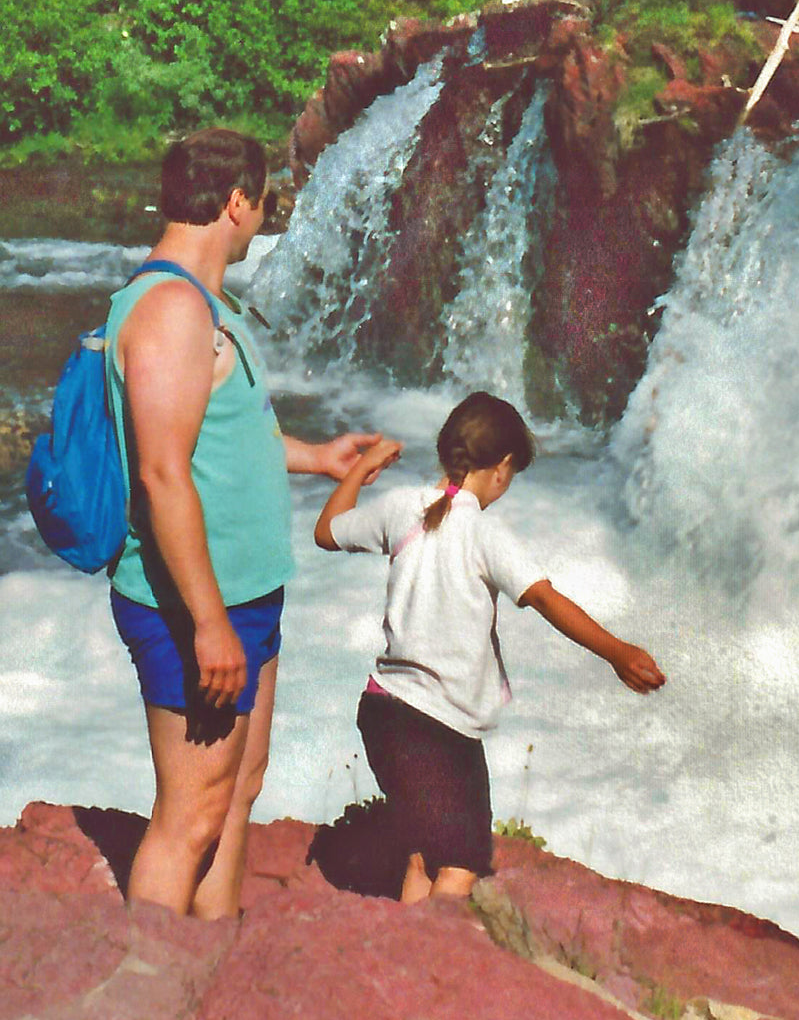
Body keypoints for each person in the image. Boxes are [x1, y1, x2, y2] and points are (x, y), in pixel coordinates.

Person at [106, 126, 380, 920]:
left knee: (237, 793)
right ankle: (144, 1003)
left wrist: (319, 457)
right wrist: (210, 623)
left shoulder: (206, 307)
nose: (262, 219)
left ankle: (209, 963)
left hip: (244, 594)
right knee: (189, 816)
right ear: (235, 202)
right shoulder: (167, 312)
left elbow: (223, 439)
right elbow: (161, 475)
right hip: (193, 606)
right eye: (262, 204)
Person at [314, 390, 665, 904]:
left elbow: (327, 532)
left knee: (423, 853)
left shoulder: (399, 508)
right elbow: (546, 599)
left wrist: (361, 469)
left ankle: (404, 956)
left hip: (387, 712)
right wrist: (617, 652)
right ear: (500, 469)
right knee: (459, 868)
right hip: (441, 728)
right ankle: (431, 968)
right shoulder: (483, 533)